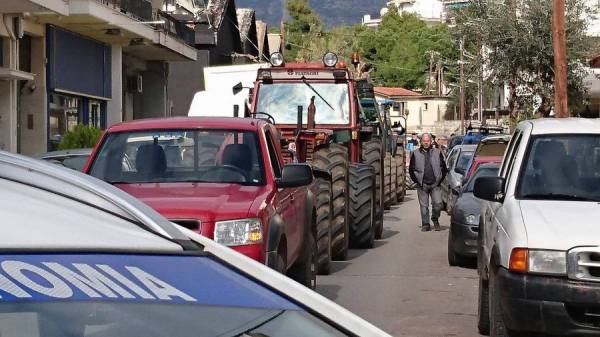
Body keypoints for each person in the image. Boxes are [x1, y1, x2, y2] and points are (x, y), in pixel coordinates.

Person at [409, 133, 448, 232]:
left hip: (435, 184)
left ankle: (435, 218)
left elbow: (444, 168)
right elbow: (411, 169)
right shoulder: (415, 153)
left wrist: (439, 180)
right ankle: (425, 224)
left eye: (428, 141)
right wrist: (417, 181)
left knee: (438, 204)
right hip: (422, 184)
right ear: (421, 142)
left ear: (430, 141)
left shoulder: (437, 152)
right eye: (424, 141)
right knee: (424, 206)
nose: (426, 143)